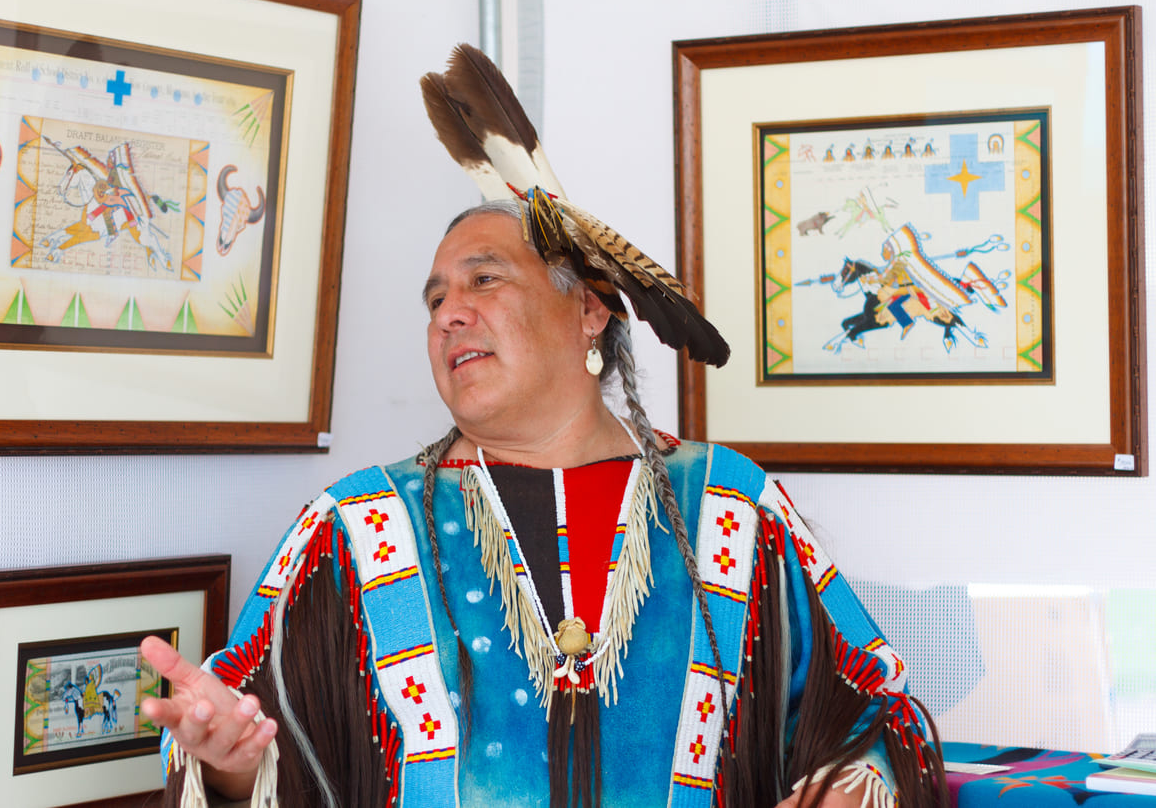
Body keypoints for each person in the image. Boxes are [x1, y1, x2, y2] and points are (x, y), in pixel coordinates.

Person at [140, 46, 946, 808]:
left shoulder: (730, 509)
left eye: (483, 279)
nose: (450, 313)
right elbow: (242, 730)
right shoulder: (354, 528)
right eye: (434, 301)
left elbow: (879, 708)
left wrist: (858, 783)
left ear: (589, 310)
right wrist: (233, 769)